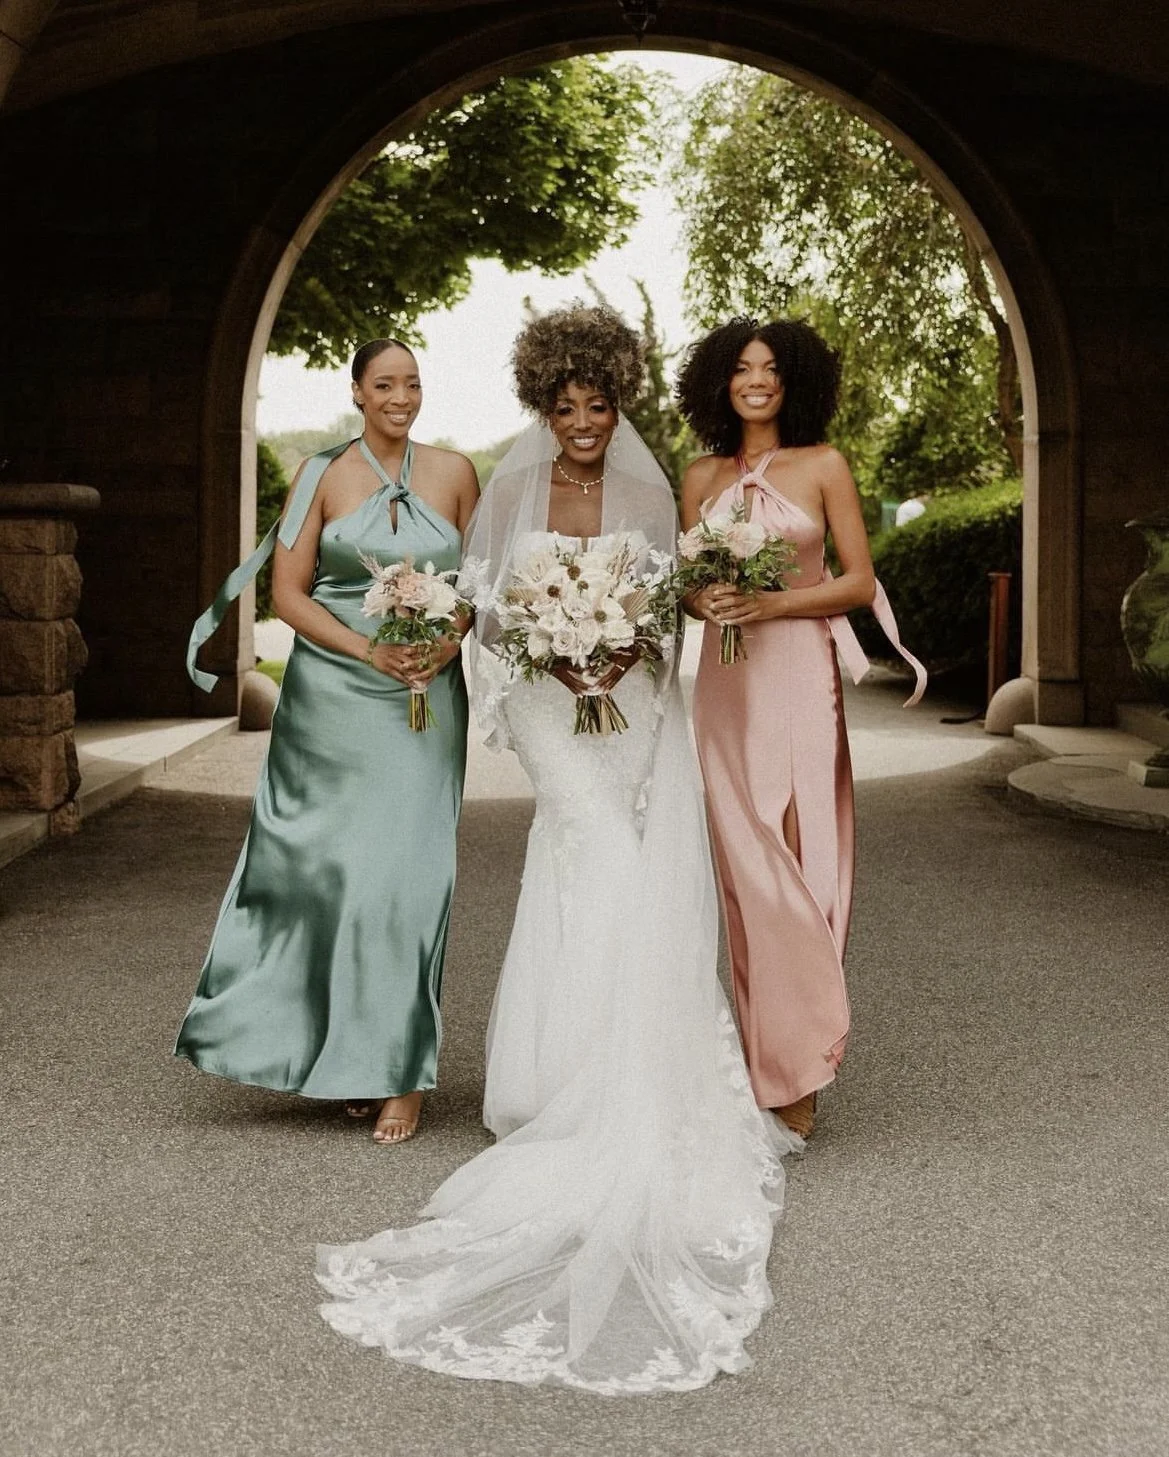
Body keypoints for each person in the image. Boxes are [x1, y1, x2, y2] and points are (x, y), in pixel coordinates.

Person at [315, 305, 798, 1395]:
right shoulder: (511, 486)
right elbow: (487, 606)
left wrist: (618, 646)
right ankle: (571, 1080)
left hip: (627, 697)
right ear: (543, 404)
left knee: (616, 854)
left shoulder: (647, 492)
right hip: (547, 702)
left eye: (599, 404)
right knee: (584, 845)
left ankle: (618, 1073)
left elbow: (669, 606)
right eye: (565, 404)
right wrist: (548, 647)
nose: (583, 422)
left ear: (619, 404)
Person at [176, 339, 479, 1145]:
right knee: (326, 876)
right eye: (384, 384)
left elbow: (476, 587)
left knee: (409, 876)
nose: (401, 397)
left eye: (412, 383)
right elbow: (287, 593)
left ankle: (402, 1068)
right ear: (356, 392)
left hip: (425, 697)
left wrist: (446, 640)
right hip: (333, 698)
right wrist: (368, 649)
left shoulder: (455, 472)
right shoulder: (318, 473)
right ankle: (347, 1056)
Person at [676, 317, 926, 1140]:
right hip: (725, 683)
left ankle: (801, 1057)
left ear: (794, 382)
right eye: (741, 368)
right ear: (719, 382)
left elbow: (857, 583)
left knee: (801, 855)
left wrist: (771, 602)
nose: (756, 380)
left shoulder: (823, 465)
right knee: (747, 870)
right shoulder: (699, 474)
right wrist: (706, 598)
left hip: (798, 673)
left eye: (771, 368)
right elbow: (687, 586)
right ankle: (770, 1059)